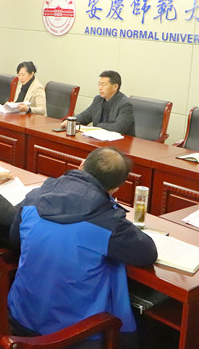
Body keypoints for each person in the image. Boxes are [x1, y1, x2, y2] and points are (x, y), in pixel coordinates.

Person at [8, 147, 157, 346]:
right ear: (115, 189)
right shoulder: (108, 221)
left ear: (81, 165)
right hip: (75, 336)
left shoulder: (33, 198)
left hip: (19, 318)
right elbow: (148, 253)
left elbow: (14, 239)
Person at [62, 70, 135, 136]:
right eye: (99, 84)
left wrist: (98, 126)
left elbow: (118, 128)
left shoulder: (125, 104)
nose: (100, 88)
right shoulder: (98, 99)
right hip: (99, 139)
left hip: (121, 142)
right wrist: (71, 121)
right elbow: (85, 116)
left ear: (115, 87)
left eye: (103, 84)